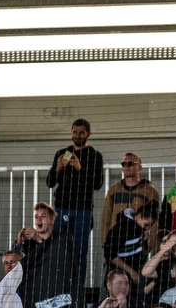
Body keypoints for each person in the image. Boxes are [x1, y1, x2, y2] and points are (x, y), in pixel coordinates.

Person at [45, 118, 104, 286]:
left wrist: (79, 168)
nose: (78, 135)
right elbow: (50, 182)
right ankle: (58, 287)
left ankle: (77, 290)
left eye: (81, 132)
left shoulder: (95, 156)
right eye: (75, 132)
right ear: (71, 132)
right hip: (62, 208)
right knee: (58, 249)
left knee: (79, 251)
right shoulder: (62, 153)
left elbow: (98, 184)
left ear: (88, 134)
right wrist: (58, 169)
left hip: (83, 210)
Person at [101, 152, 159, 249]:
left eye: (131, 163)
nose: (127, 167)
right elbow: (106, 217)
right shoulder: (113, 190)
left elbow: (154, 220)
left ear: (140, 167)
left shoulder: (150, 191)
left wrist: (148, 244)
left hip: (137, 243)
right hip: (115, 242)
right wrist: (105, 243)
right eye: (124, 164)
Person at [103, 199, 159, 285]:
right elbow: (111, 256)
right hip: (118, 276)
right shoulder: (120, 229)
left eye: (150, 226)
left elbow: (143, 257)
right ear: (139, 217)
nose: (148, 228)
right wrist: (132, 272)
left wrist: (144, 241)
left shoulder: (141, 231)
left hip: (134, 278)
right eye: (147, 224)